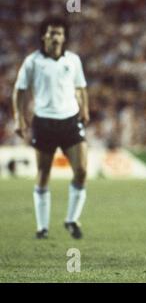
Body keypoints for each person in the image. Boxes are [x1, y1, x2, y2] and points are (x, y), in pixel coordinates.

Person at [12, 17, 89, 239]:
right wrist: (19, 118)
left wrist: (85, 109)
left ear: (64, 37)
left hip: (70, 121)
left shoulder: (72, 60)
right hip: (44, 122)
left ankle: (72, 219)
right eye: (51, 33)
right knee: (43, 173)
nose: (55, 37)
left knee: (82, 171)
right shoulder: (33, 62)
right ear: (43, 36)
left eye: (59, 33)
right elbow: (19, 90)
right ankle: (42, 227)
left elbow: (81, 86)